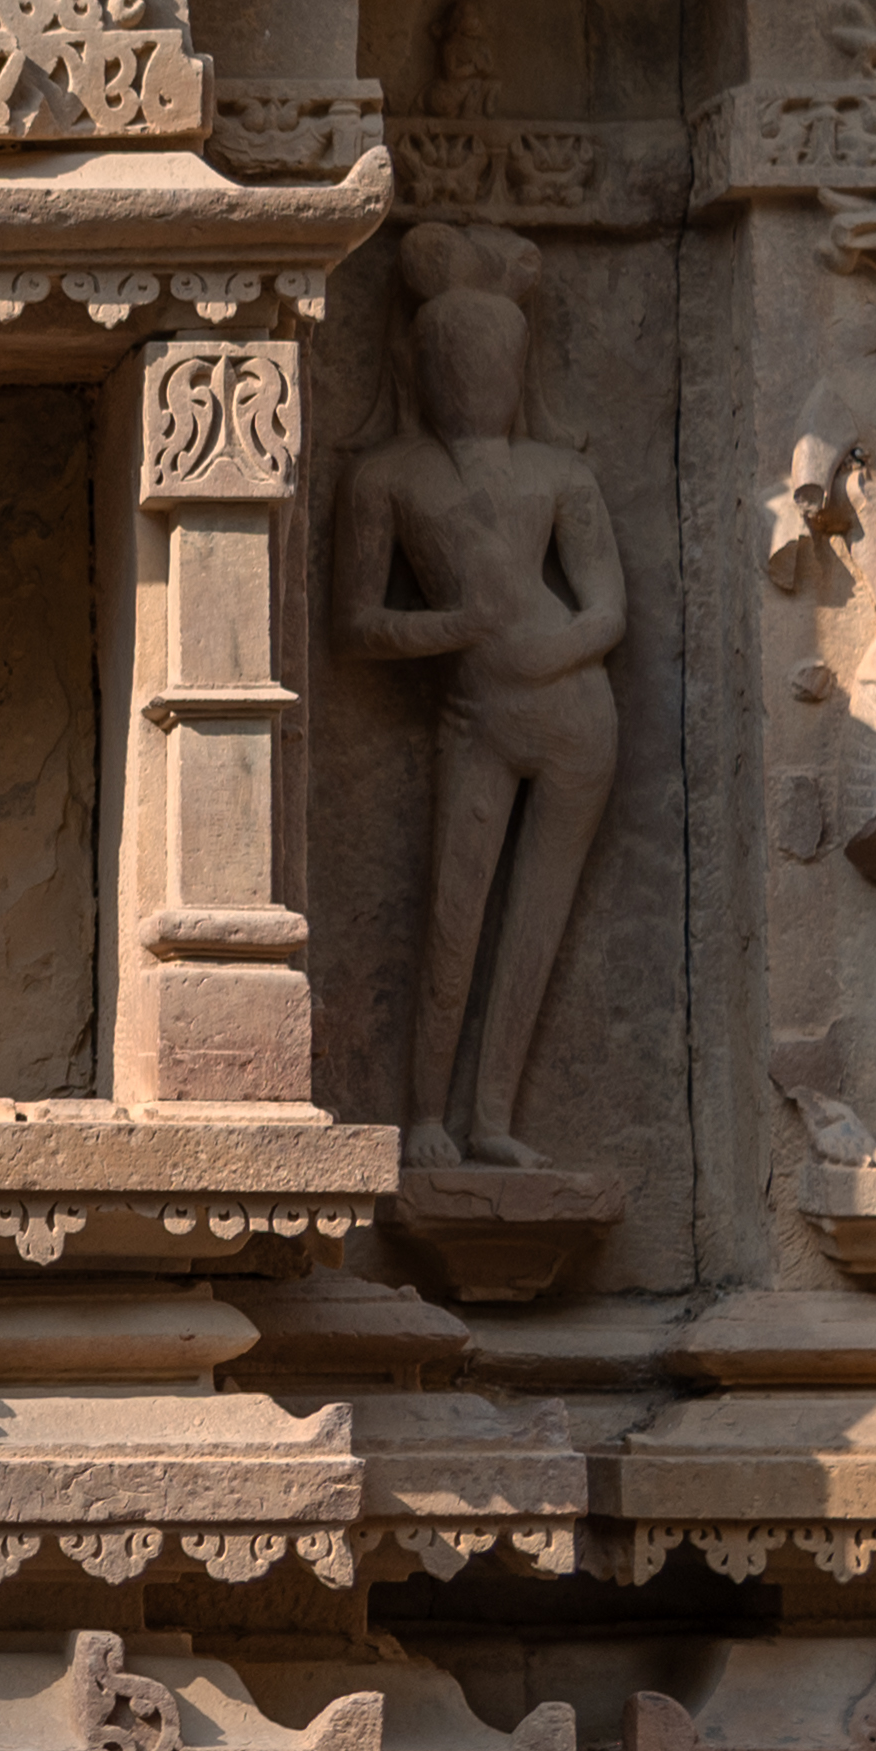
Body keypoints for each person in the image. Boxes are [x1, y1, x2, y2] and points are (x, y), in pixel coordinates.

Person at [334, 233, 624, 1170]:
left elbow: (609, 607)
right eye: (454, 364)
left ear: (517, 365)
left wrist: (554, 643)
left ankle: (491, 1117)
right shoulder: (388, 475)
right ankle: (425, 1115)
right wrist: (456, 624)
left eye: (492, 362)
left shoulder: (559, 473)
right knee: (454, 914)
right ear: (420, 368)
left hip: (577, 717)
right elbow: (356, 623)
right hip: (478, 715)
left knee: (534, 922)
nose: (475, 381)